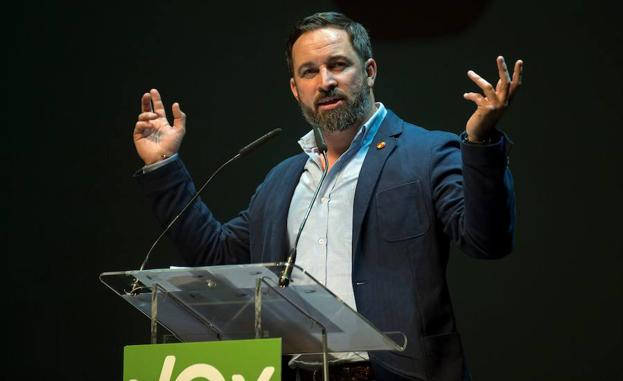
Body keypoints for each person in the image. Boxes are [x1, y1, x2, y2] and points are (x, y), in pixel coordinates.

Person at [133, 11, 523, 381]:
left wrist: (480, 141)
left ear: (369, 71)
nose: (325, 81)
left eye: (338, 65)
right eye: (309, 72)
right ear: (295, 88)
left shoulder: (427, 154)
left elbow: (487, 241)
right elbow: (217, 257)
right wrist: (165, 165)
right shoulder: (282, 180)